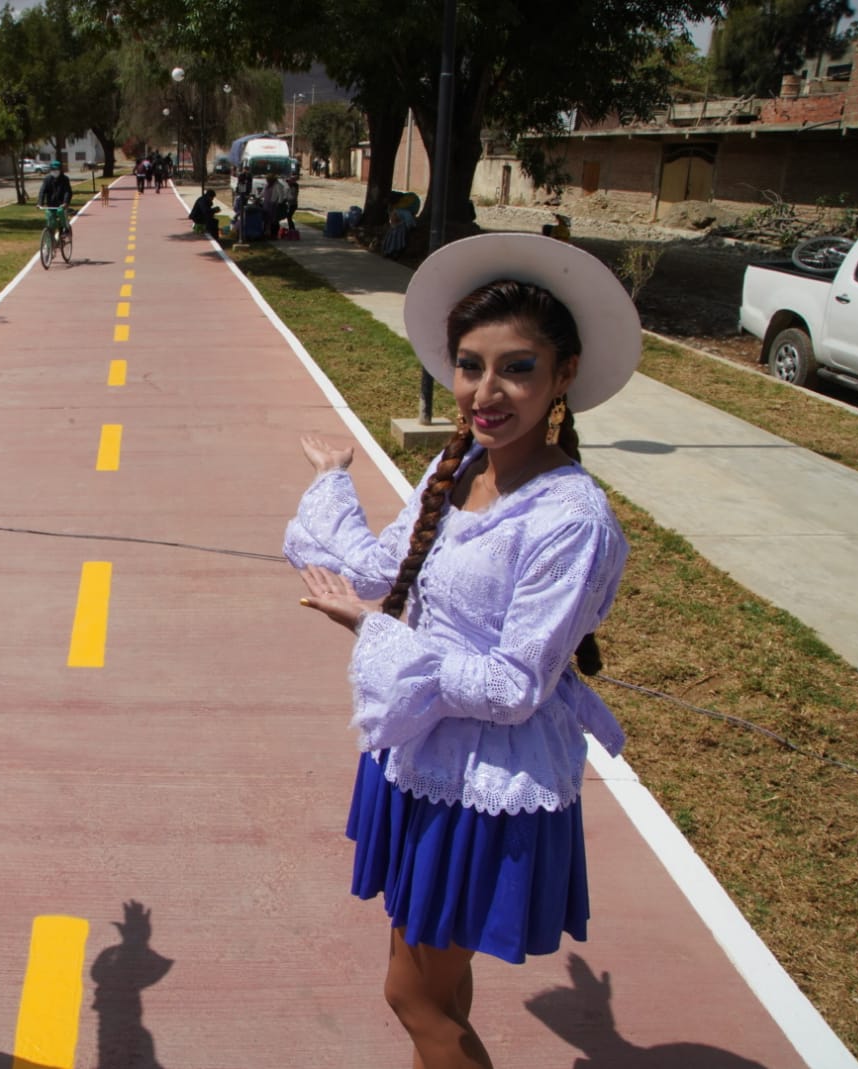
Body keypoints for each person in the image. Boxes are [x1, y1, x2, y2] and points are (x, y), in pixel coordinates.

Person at [283, 232, 640, 1069]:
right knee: (437, 988)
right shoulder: (464, 468)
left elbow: (515, 685)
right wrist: (335, 476)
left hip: (488, 783)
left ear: (564, 375)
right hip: (424, 754)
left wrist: (373, 632)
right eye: (471, 364)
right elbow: (380, 563)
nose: (487, 390)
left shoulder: (570, 518)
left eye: (517, 367)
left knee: (409, 993)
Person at [38, 160, 74, 244]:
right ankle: (49, 244)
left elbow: (67, 192)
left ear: (60, 170)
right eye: (52, 170)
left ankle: (66, 229)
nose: (54, 171)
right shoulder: (47, 179)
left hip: (61, 205)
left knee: (60, 212)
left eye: (56, 169)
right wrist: (40, 203)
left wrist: (65, 202)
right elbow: (42, 191)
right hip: (51, 205)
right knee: (50, 220)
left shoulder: (65, 179)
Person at [383, 188, 423, 258]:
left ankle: (392, 252)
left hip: (399, 228)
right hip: (395, 227)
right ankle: (390, 251)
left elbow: (408, 220)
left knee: (396, 239)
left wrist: (409, 226)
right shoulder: (398, 209)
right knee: (392, 239)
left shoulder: (401, 210)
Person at [260, 173, 284, 239]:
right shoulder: (267, 185)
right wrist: (258, 198)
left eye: (268, 180)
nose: (267, 181)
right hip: (266, 204)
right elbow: (263, 193)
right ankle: (266, 233)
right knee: (266, 220)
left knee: (274, 220)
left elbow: (281, 196)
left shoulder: (278, 185)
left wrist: (278, 204)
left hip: (273, 204)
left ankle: (274, 234)